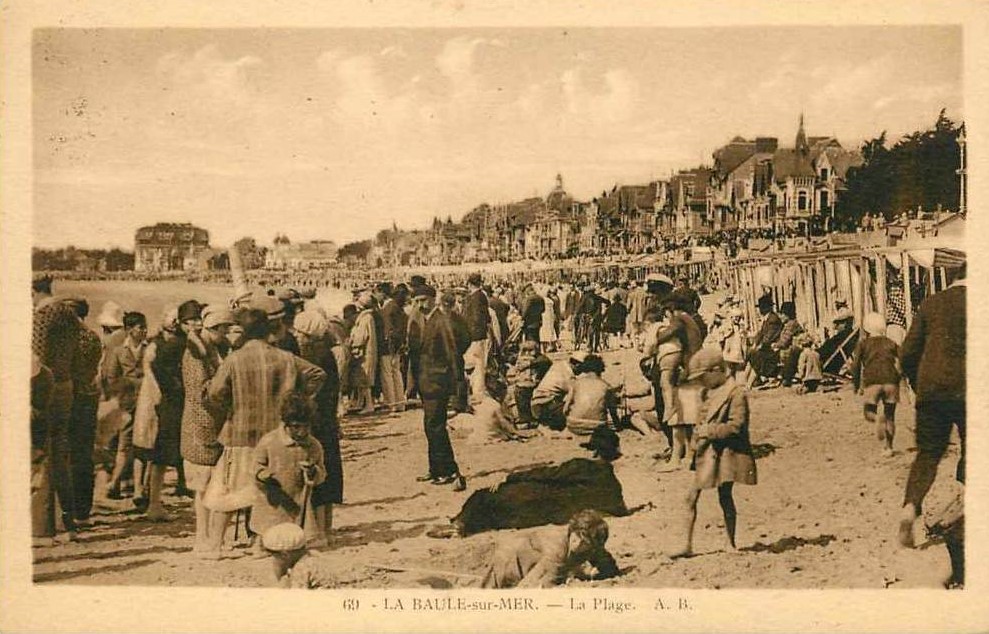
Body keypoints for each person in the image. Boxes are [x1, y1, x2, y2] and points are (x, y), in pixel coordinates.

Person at [206, 308, 326, 552]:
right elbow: (317, 374)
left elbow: (215, 393)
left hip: (241, 433)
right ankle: (259, 544)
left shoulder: (234, 359)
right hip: (275, 436)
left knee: (230, 492)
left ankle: (215, 546)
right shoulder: (285, 357)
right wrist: (295, 401)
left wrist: (230, 405)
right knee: (267, 493)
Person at [897, 265, 966, 550]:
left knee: (927, 455)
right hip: (970, 389)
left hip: (932, 390)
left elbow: (907, 354)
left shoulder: (930, 304)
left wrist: (918, 386)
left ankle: (910, 508)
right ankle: (966, 506)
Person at [670, 347, 757, 558]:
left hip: (726, 453)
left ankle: (730, 542)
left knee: (724, 496)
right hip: (707, 452)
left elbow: (737, 426)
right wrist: (693, 445)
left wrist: (710, 431)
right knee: (690, 497)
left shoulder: (736, 393)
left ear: (716, 371)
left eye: (703, 377)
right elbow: (700, 420)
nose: (700, 383)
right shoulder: (706, 392)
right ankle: (686, 544)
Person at [181, 304, 233, 558]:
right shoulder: (195, 354)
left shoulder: (211, 349)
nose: (226, 335)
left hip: (211, 425)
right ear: (215, 329)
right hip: (200, 426)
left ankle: (209, 535)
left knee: (211, 485)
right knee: (202, 487)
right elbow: (200, 392)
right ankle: (202, 535)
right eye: (224, 330)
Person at [31, 277, 80, 537]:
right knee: (60, 452)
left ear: (33, 291)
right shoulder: (68, 313)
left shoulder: (42, 316)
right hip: (66, 385)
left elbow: (36, 359)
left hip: (45, 387)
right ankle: (66, 520)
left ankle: (43, 526)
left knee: (41, 453)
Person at [294, 310, 344, 545]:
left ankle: (318, 532)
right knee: (328, 473)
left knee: (316, 473)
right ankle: (326, 529)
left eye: (301, 332)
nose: (298, 336)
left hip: (317, 422)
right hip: (327, 421)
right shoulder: (326, 351)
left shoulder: (314, 355)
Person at [251, 393, 326, 546]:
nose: (302, 432)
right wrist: (262, 475)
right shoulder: (269, 441)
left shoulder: (313, 445)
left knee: (296, 539)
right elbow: (255, 467)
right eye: (296, 427)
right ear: (285, 423)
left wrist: (313, 471)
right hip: (272, 500)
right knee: (268, 533)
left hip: (299, 500)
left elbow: (322, 473)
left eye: (306, 427)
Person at [481, 509, 619, 588]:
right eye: (577, 538)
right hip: (512, 556)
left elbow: (608, 566)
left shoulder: (592, 545)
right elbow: (543, 582)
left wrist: (597, 573)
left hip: (535, 555)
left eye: (585, 544)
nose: (578, 545)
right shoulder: (557, 546)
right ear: (573, 531)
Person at [415, 286, 466, 490]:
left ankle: (447, 470)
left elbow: (453, 353)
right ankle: (436, 468)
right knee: (430, 425)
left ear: (432, 299)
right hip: (428, 381)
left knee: (435, 426)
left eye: (423, 300)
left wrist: (457, 388)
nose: (420, 304)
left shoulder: (440, 320)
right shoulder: (429, 319)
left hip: (438, 381)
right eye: (417, 301)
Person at [103, 311, 148, 503]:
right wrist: (134, 386)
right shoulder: (118, 351)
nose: (144, 331)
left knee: (143, 446)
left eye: (145, 327)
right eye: (140, 328)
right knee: (125, 444)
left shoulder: (149, 348)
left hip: (147, 404)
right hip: (128, 404)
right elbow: (112, 379)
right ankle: (115, 482)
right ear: (129, 330)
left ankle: (138, 489)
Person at [67, 298, 102, 523]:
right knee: (84, 455)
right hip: (88, 399)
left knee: (67, 455)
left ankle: (69, 511)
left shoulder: (70, 338)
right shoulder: (93, 337)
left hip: (73, 398)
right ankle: (83, 511)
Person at [850, 312, 902, 456]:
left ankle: (877, 418)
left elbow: (855, 366)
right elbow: (903, 358)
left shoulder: (863, 344)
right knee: (890, 416)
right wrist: (899, 377)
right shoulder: (890, 342)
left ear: (866, 329)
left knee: (868, 412)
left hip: (873, 380)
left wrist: (856, 385)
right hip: (891, 380)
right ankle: (889, 448)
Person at [563, 355, 620, 437]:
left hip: (574, 425)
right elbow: (613, 411)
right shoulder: (606, 386)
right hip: (597, 426)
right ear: (601, 369)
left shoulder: (576, 383)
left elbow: (566, 408)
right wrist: (618, 425)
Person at [531, 351, 584, 432]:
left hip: (537, 405)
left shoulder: (559, 365)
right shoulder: (569, 375)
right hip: (545, 407)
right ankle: (548, 425)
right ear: (577, 365)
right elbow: (575, 395)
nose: (582, 371)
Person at [348, 291, 378, 415]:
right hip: (367, 351)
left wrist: (352, 343)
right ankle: (361, 402)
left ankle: (369, 404)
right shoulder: (368, 317)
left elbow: (361, 337)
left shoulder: (366, 318)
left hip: (365, 353)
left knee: (365, 380)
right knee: (362, 380)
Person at [744, 294, 782, 388]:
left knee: (756, 355)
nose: (760, 310)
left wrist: (759, 346)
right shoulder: (767, 318)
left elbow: (769, 337)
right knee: (750, 353)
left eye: (762, 307)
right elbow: (760, 333)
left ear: (767, 308)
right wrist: (755, 344)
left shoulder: (773, 319)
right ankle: (746, 381)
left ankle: (749, 383)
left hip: (774, 348)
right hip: (768, 347)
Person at [463, 273, 491, 403]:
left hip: (475, 335)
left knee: (476, 364)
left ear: (469, 284)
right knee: (478, 364)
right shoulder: (481, 296)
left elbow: (476, 318)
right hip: (479, 334)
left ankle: (477, 391)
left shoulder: (474, 297)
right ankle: (477, 390)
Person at [773, 301, 803, 387]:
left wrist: (775, 345)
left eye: (782, 314)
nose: (780, 316)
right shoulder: (788, 324)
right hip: (791, 349)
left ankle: (784, 377)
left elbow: (784, 341)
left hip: (795, 350)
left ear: (787, 315)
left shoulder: (791, 325)